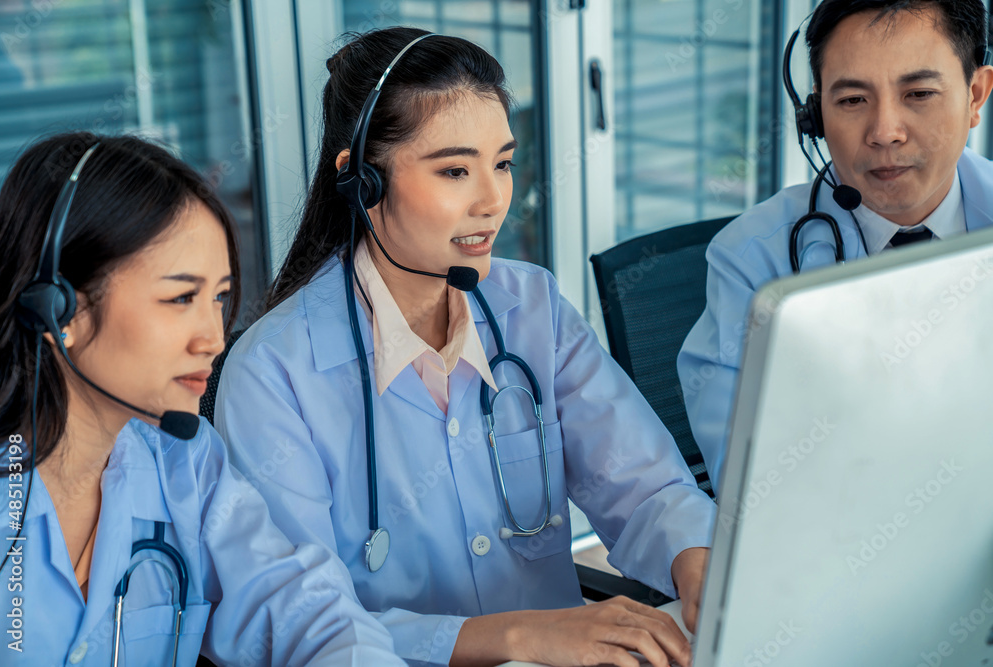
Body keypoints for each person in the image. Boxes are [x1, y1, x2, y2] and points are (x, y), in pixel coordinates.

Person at [216, 27, 715, 667]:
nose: (493, 200)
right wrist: (515, 636)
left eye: (502, 164)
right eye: (455, 170)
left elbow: (643, 487)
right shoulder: (273, 373)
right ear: (360, 181)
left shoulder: (532, 309)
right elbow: (294, 624)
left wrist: (697, 563)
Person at [0, 132, 405, 666]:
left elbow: (305, 610)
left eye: (218, 298)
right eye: (181, 297)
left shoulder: (185, 462)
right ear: (59, 309)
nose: (213, 337)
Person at [678, 0, 993, 494]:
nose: (885, 132)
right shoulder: (750, 261)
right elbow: (754, 484)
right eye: (852, 101)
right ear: (815, 116)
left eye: (919, 93)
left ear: (976, 95)